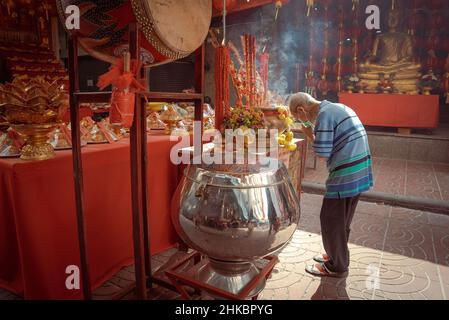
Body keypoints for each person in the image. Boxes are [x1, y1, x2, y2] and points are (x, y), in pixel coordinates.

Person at [289, 92, 374, 278]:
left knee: (330, 220)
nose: (301, 120)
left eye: (298, 117)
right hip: (359, 169)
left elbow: (322, 152)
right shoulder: (336, 107)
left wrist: (307, 132)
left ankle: (336, 266)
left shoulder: (324, 116)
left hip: (347, 172)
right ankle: (337, 255)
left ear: (302, 110)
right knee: (342, 219)